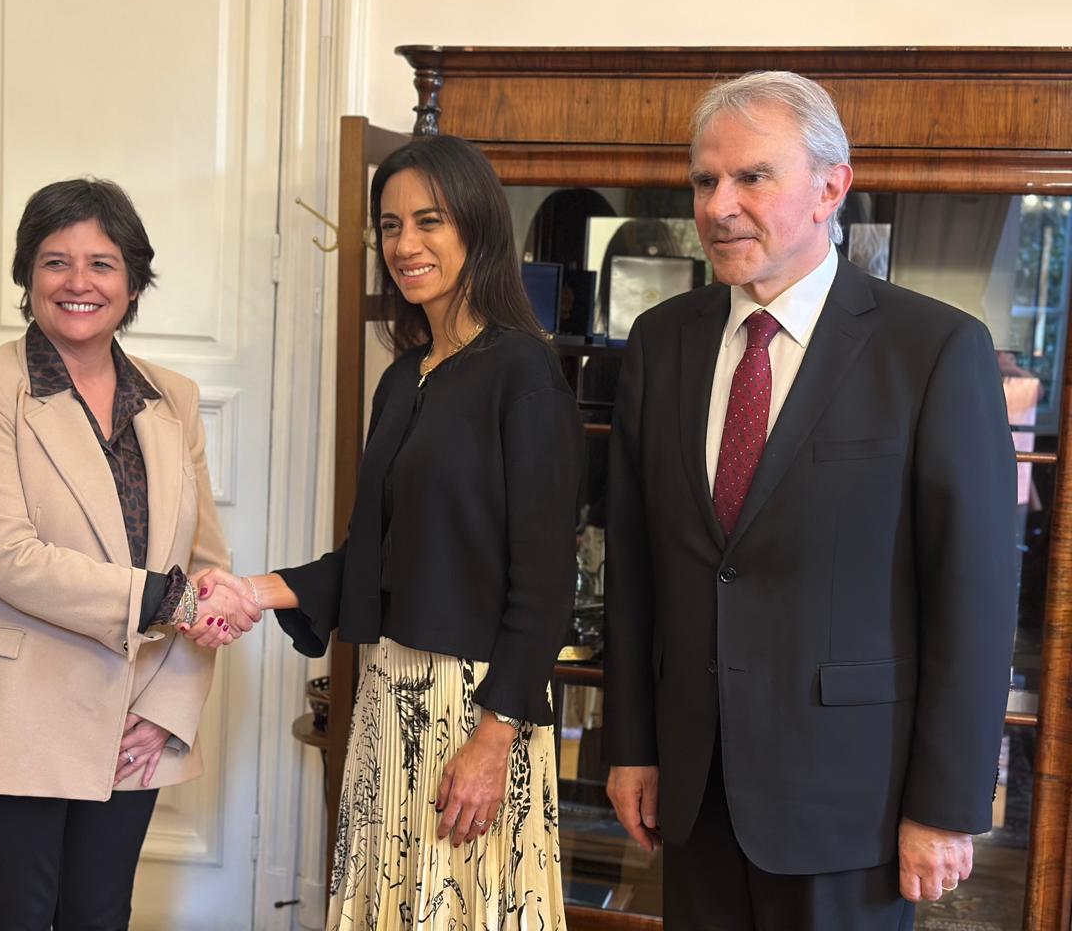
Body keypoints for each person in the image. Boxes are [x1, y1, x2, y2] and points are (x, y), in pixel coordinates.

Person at [603, 71, 1017, 930]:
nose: (719, 205)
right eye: (704, 180)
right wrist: (633, 746)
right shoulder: (659, 343)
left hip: (853, 806)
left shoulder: (934, 350)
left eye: (752, 177)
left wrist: (944, 804)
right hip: (696, 786)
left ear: (833, 186)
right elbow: (637, 570)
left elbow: (972, 603)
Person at [182, 135, 581, 929]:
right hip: (387, 694)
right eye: (390, 226)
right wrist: (254, 591)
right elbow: (371, 558)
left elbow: (545, 582)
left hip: (476, 713)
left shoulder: (523, 372)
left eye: (428, 221)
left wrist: (494, 738)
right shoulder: (405, 377)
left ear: (477, 228)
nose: (405, 245)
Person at [0, 178, 255, 930]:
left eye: (102, 263)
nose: (78, 282)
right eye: (54, 261)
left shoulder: (173, 400)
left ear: (133, 282)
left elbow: (207, 571)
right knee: (19, 917)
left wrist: (169, 711)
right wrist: (171, 602)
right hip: (13, 713)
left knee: (100, 916)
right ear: (27, 278)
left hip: (133, 716)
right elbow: (8, 557)